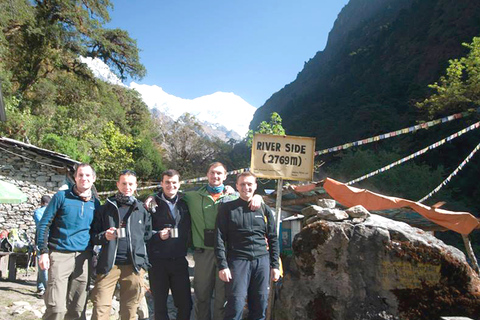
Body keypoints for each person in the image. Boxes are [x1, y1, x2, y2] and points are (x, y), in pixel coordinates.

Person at [36, 163, 100, 320]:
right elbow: (44, 225)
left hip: (83, 258)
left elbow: (97, 232)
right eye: (80, 175)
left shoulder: (96, 203)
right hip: (59, 254)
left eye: (87, 175)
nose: (84, 178)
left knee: (77, 310)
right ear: (75, 177)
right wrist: (43, 252)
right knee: (56, 308)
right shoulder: (61, 197)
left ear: (93, 179)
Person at [215, 172, 280, 320]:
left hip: (261, 262)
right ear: (237, 186)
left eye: (249, 184)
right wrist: (222, 265)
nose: (246, 187)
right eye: (242, 184)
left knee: (260, 305)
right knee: (235, 305)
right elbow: (218, 238)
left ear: (255, 186)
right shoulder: (227, 209)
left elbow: (273, 238)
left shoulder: (264, 209)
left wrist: (275, 265)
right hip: (238, 261)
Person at [90, 169, 152, 320]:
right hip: (108, 265)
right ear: (118, 184)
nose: (127, 187)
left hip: (133, 267)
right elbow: (93, 236)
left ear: (136, 186)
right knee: (100, 309)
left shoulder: (141, 210)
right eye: (124, 183)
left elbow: (147, 235)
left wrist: (142, 264)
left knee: (130, 311)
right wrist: (105, 236)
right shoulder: (105, 208)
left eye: (131, 184)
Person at [147, 169, 192, 320]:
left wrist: (229, 190)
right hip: (158, 261)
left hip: (179, 259)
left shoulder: (185, 203)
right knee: (160, 305)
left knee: (185, 303)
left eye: (174, 182)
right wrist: (157, 235)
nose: (170, 185)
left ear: (179, 184)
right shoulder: (151, 204)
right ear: (161, 184)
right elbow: (143, 232)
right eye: (167, 182)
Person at [33, 195, 51, 296]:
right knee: (43, 264)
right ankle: (41, 286)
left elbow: (41, 226)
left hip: (41, 240)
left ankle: (46, 289)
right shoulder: (54, 211)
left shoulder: (38, 212)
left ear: (41, 202)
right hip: (51, 239)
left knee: (42, 265)